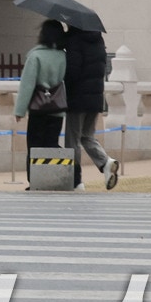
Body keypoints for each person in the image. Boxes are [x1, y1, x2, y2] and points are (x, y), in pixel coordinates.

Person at [15, 19, 67, 187]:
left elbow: (27, 85)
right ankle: (51, 178)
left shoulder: (35, 56)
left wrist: (20, 110)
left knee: (35, 146)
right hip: (57, 108)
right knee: (51, 144)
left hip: (38, 108)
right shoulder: (63, 56)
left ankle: (35, 180)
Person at [64, 25, 118, 190]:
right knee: (87, 135)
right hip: (95, 98)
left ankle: (76, 181)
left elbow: (73, 71)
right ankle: (105, 162)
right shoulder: (98, 40)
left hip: (77, 98)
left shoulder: (74, 41)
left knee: (72, 141)